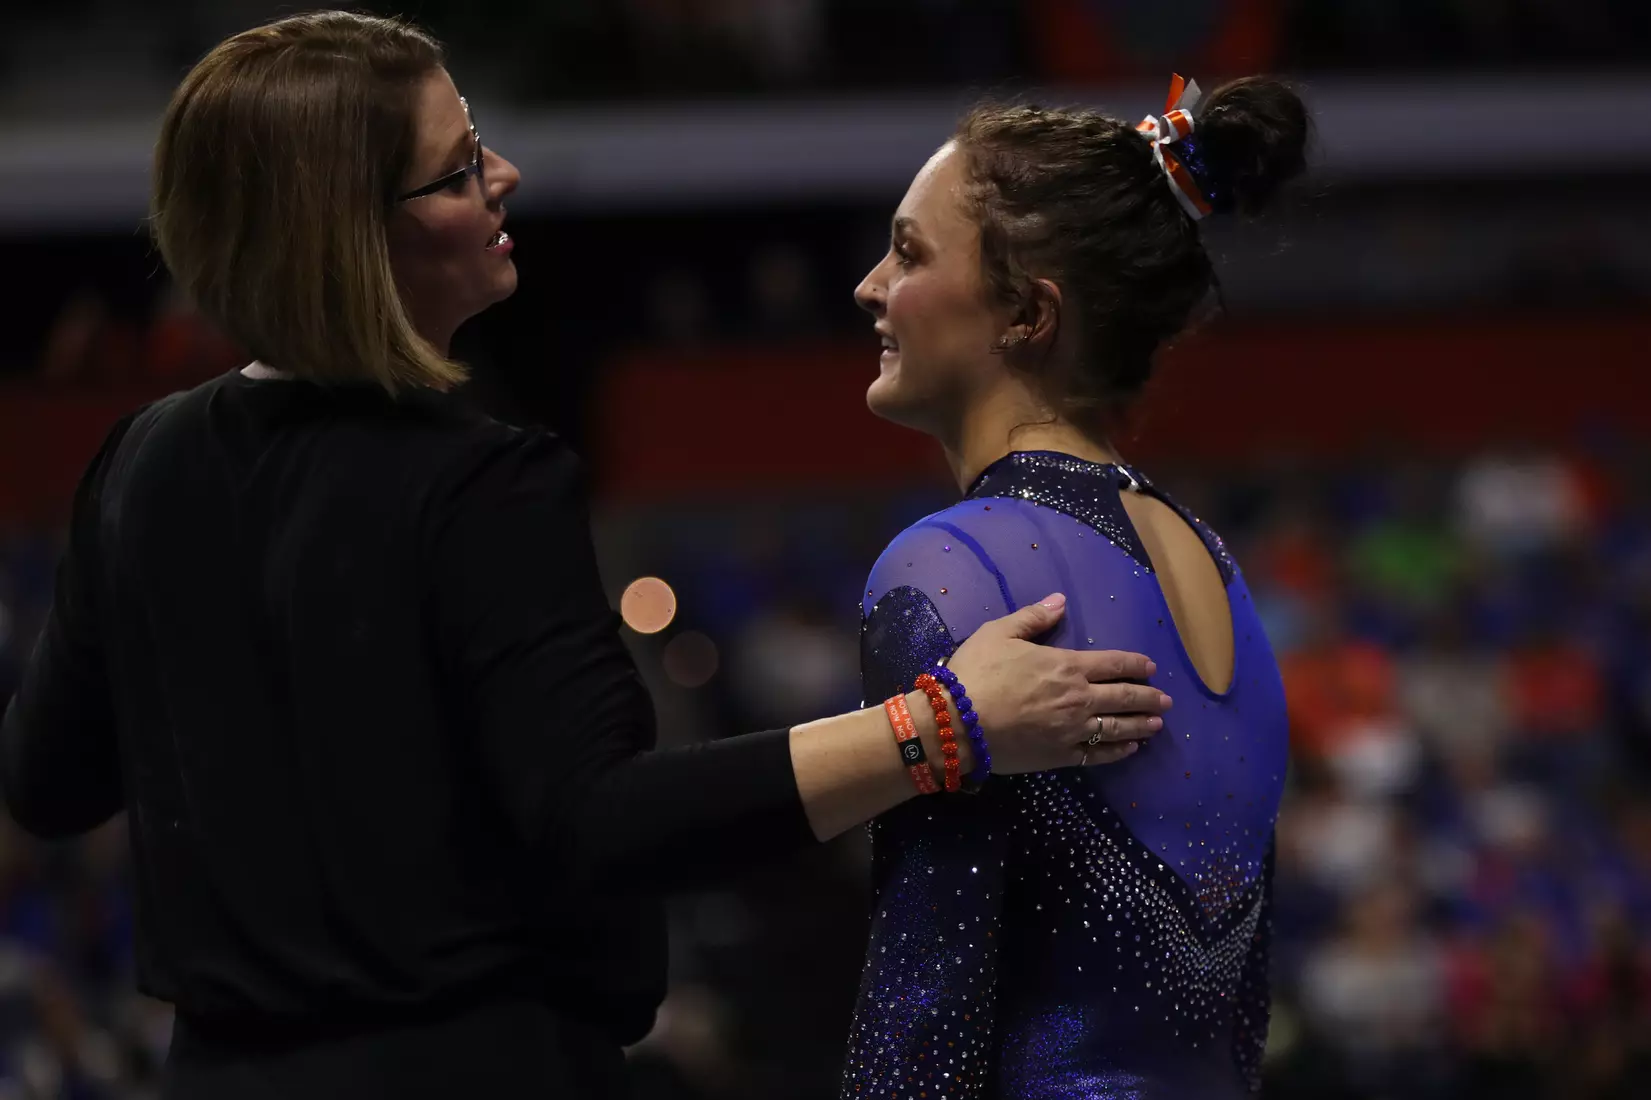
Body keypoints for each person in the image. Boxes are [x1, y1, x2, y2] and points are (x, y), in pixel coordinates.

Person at [0, 13, 1172, 1100]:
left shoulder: (140, 462)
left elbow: (50, 779)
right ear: (350, 236)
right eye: (457, 171)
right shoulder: (477, 480)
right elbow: (602, 816)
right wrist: (944, 725)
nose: (500, 176)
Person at [843, 75, 1307, 1097]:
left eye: (909, 252)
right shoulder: (1213, 562)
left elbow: (921, 1010)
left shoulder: (954, 565)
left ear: (1023, 310)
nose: (869, 286)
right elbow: (1238, 1016)